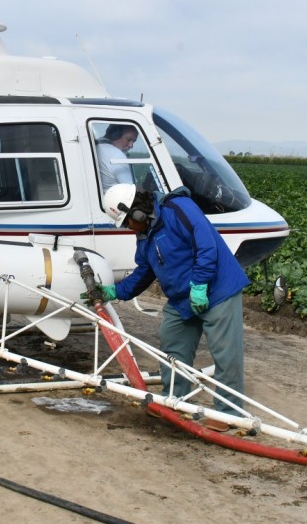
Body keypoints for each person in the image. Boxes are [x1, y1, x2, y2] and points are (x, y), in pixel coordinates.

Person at [97, 183, 249, 432]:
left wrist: (199, 285)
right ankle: (173, 401)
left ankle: (228, 413)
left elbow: (206, 246)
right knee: (171, 345)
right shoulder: (145, 236)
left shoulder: (179, 208)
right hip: (181, 299)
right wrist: (115, 291)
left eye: (127, 221)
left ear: (138, 211)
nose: (127, 227)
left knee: (225, 354)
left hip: (218, 290)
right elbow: (144, 271)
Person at [96, 124, 138, 188]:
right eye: (128, 139)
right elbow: (134, 189)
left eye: (133, 141)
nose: (131, 145)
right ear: (115, 135)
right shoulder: (116, 155)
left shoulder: (97, 146)